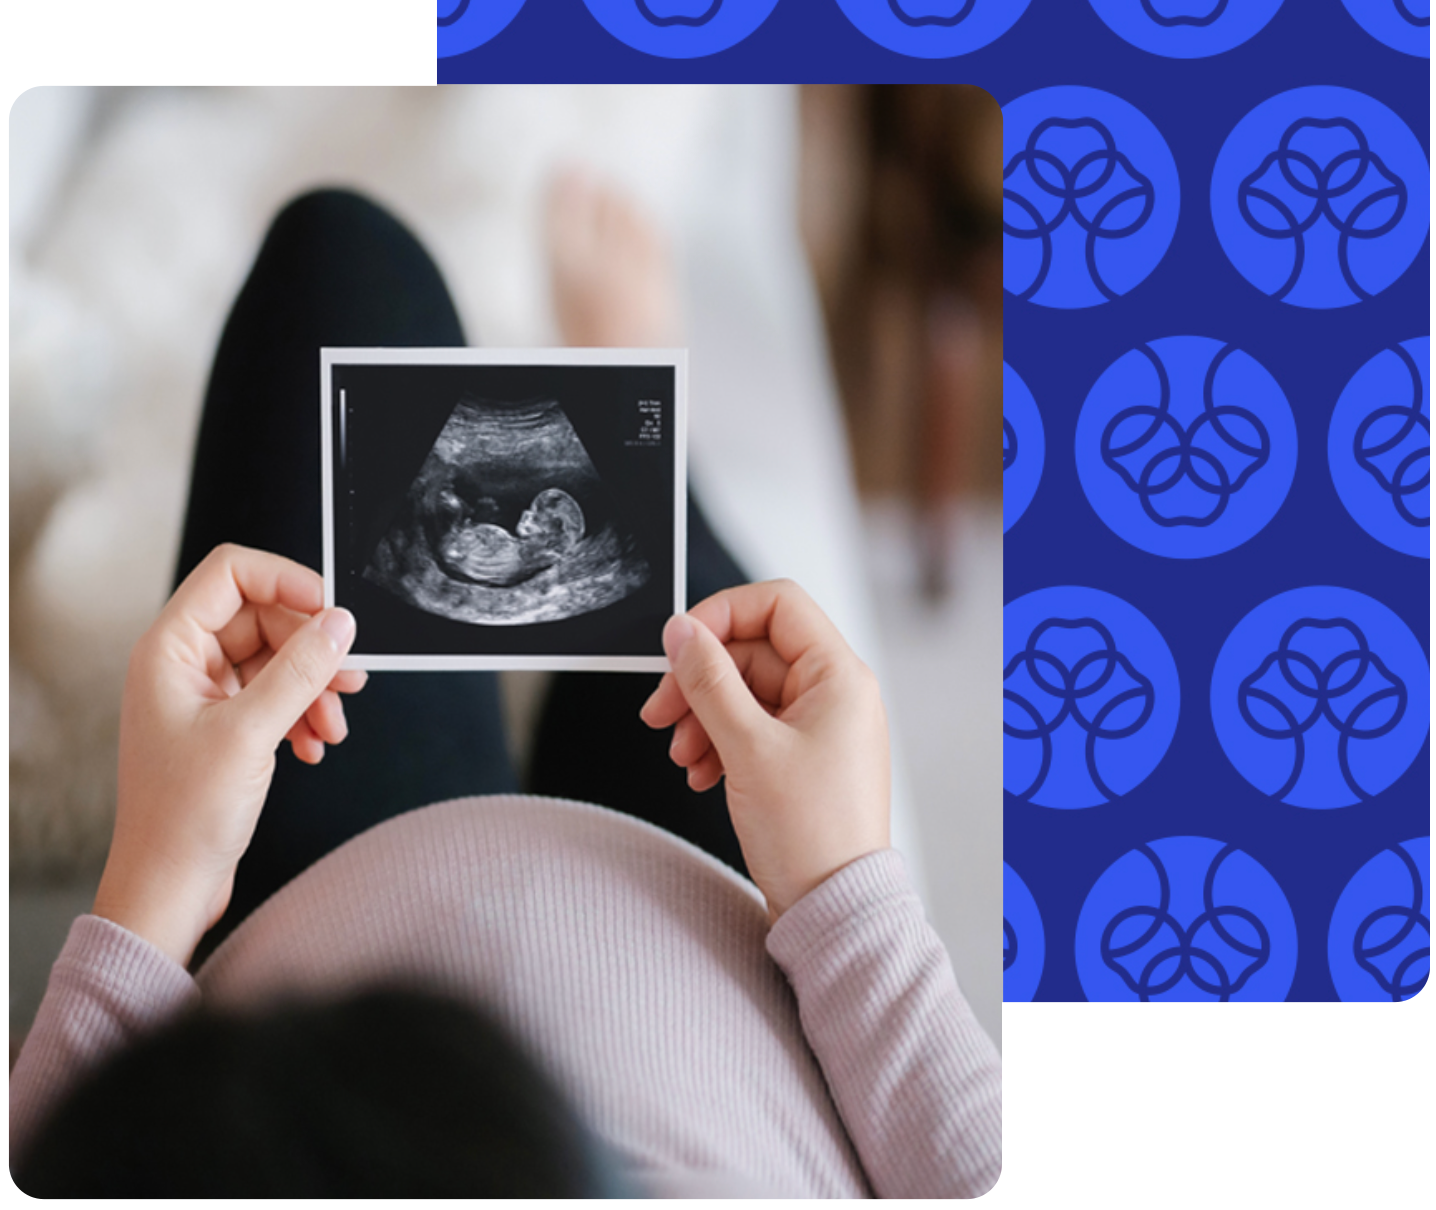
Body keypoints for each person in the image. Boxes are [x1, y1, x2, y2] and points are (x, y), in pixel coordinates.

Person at [7, 179, 1012, 1198]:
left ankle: (628, 436)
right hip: (738, 918)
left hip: (313, 897)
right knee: (706, 611)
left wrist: (151, 883)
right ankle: (634, 415)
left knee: (341, 255)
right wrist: (847, 892)